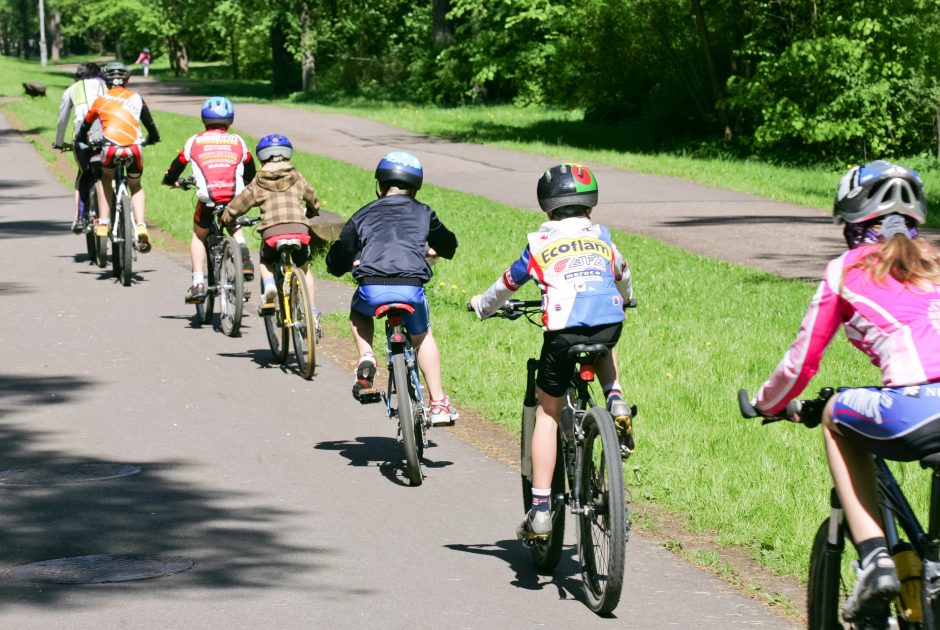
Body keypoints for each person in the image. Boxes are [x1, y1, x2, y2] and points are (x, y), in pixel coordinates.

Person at [750, 160, 940, 622]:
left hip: (913, 409)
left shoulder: (847, 269)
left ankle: (874, 559)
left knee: (835, 414)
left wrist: (766, 403)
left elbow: (801, 363)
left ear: (851, 221)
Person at [468, 163, 634, 541]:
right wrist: (626, 299)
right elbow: (622, 273)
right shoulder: (603, 238)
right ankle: (617, 400)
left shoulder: (540, 245)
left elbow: (507, 283)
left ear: (547, 209)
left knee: (548, 411)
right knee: (603, 339)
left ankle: (541, 511)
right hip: (608, 323)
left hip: (562, 333)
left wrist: (482, 306)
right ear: (590, 208)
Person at [325, 151, 459, 426]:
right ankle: (439, 402)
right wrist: (433, 249)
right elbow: (449, 245)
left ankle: (366, 357)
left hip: (372, 288)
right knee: (422, 337)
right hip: (411, 288)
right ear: (415, 187)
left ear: (380, 184)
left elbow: (338, 257)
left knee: (358, 312)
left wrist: (343, 263)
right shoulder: (424, 212)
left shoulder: (363, 213)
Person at [162, 97, 257, 303]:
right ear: (230, 121)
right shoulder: (238, 141)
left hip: (209, 200)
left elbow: (177, 164)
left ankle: (198, 284)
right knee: (233, 222)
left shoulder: (194, 141)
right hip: (235, 197)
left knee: (198, 235)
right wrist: (248, 181)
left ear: (204, 119)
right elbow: (250, 166)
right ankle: (244, 257)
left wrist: (171, 180)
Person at [220, 134, 320, 323]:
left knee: (266, 261)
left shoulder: (259, 180)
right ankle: (311, 312)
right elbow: (312, 197)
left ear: (262, 157)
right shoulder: (296, 175)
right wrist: (313, 211)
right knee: (305, 269)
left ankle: (269, 286)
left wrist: (227, 217)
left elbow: (239, 204)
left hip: (272, 233)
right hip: (300, 230)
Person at [75, 61, 160, 253]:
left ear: (106, 81)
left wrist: (81, 140)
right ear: (127, 80)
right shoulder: (137, 98)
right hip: (134, 150)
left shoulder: (100, 100)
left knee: (105, 178)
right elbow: (151, 125)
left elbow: (85, 127)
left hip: (111, 149)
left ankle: (104, 222)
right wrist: (153, 138)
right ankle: (140, 226)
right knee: (135, 185)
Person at [53, 62, 106, 234]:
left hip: (82, 139)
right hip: (106, 137)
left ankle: (80, 217)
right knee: (108, 171)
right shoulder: (107, 86)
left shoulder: (72, 89)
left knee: (84, 173)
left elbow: (62, 119)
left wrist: (59, 142)